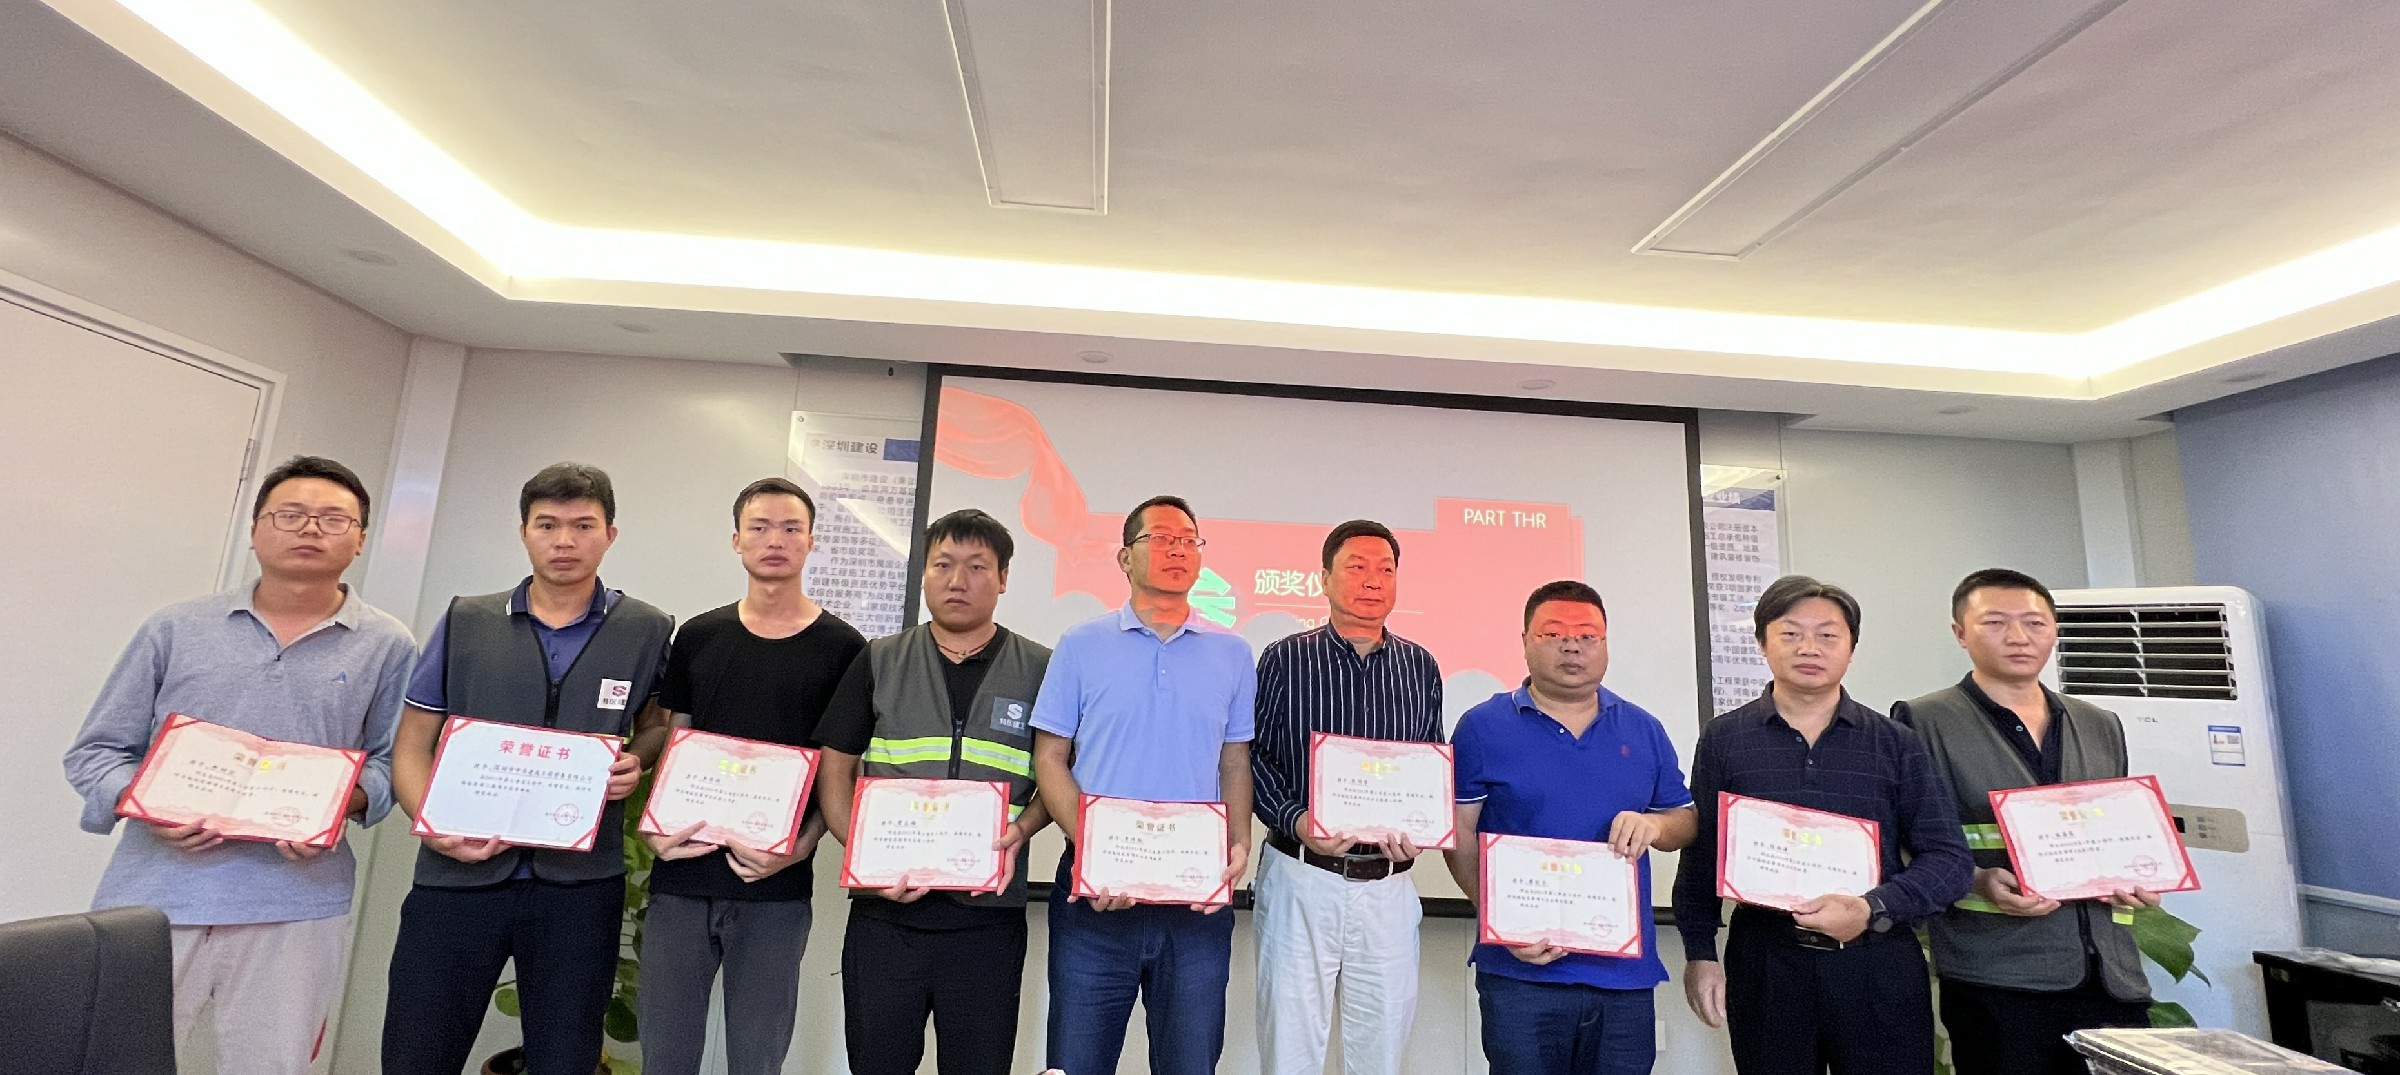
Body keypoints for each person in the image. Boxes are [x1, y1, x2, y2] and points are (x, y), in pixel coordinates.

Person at [62, 455, 415, 1075]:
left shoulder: (388, 644)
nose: (311, 528)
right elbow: (95, 752)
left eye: (334, 519)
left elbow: (391, 764)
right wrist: (146, 803)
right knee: (114, 1061)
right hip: (153, 898)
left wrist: (338, 805)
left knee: (272, 1066)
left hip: (296, 901)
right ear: (255, 531)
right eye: (291, 514)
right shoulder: (175, 628)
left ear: (360, 540)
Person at [380, 463, 674, 1075]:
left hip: (580, 885)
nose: (564, 540)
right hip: (456, 879)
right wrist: (433, 825)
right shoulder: (467, 620)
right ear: (523, 532)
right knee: (417, 1053)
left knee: (565, 1059)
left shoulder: (646, 629)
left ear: (610, 535)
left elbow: (655, 724)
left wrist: (637, 760)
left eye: (583, 525)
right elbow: (410, 746)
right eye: (547, 524)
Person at [1672, 575, 1973, 1075]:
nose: (1809, 648)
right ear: (1762, 643)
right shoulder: (1725, 738)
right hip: (1767, 960)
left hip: (1876, 959)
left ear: (1851, 648)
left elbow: (1949, 860)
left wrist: (1871, 907)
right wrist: (1700, 953)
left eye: (1828, 635)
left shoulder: (1895, 742)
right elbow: (1703, 854)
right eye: (1790, 633)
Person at [635, 477, 866, 1075]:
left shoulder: (845, 647)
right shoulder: (699, 635)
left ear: (812, 541)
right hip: (681, 876)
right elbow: (677, 739)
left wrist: (800, 848)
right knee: (666, 1056)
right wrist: (655, 829)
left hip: (776, 887)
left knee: (758, 1060)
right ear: (736, 539)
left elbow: (840, 770)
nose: (775, 540)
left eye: (791, 528)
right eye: (759, 527)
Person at [1892, 569, 2159, 1075]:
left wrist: (2140, 873)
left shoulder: (2099, 723)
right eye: (1995, 623)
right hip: (1996, 973)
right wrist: (1975, 879)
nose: (2018, 637)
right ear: (1960, 633)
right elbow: (1903, 841)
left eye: (2035, 623)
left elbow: (2116, 829)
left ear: (2054, 630)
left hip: (2110, 973)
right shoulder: (1922, 721)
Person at [814, 508, 1051, 1075]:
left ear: (1003, 578)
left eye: (977, 566)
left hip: (988, 920)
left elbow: (1061, 775)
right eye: (942, 565)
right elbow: (834, 769)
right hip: (886, 918)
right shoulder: (879, 659)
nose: (957, 580)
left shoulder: (1042, 669)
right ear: (923, 573)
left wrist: (1022, 829)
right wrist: (863, 856)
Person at [1029, 494, 1255, 1075]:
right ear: (1125, 558)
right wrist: (1094, 851)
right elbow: (1050, 757)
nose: (1178, 550)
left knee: (1190, 1062)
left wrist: (1239, 841)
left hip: (1195, 904)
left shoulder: (1232, 654)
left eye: (1188, 540)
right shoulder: (1081, 644)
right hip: (1095, 902)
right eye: (1161, 539)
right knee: (1076, 1062)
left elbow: (1234, 761)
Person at [1444, 580, 1698, 1075]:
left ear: (1605, 644)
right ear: (1525, 641)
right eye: (1553, 634)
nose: (1572, 646)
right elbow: (1459, 835)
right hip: (1521, 975)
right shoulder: (1482, 726)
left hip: (1623, 977)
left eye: (1587, 635)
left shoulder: (1643, 729)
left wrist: (1653, 825)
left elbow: (1684, 822)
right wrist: (1500, 920)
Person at [1250, 519, 1445, 1075]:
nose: (1372, 580)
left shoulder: (1420, 667)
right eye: (1356, 567)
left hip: (1388, 884)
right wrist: (1297, 820)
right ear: (1324, 579)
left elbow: (1430, 764)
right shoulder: (1285, 659)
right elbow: (1252, 758)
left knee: (1380, 1052)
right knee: (1289, 1051)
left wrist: (1420, 831)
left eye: (1386, 569)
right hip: (1302, 875)